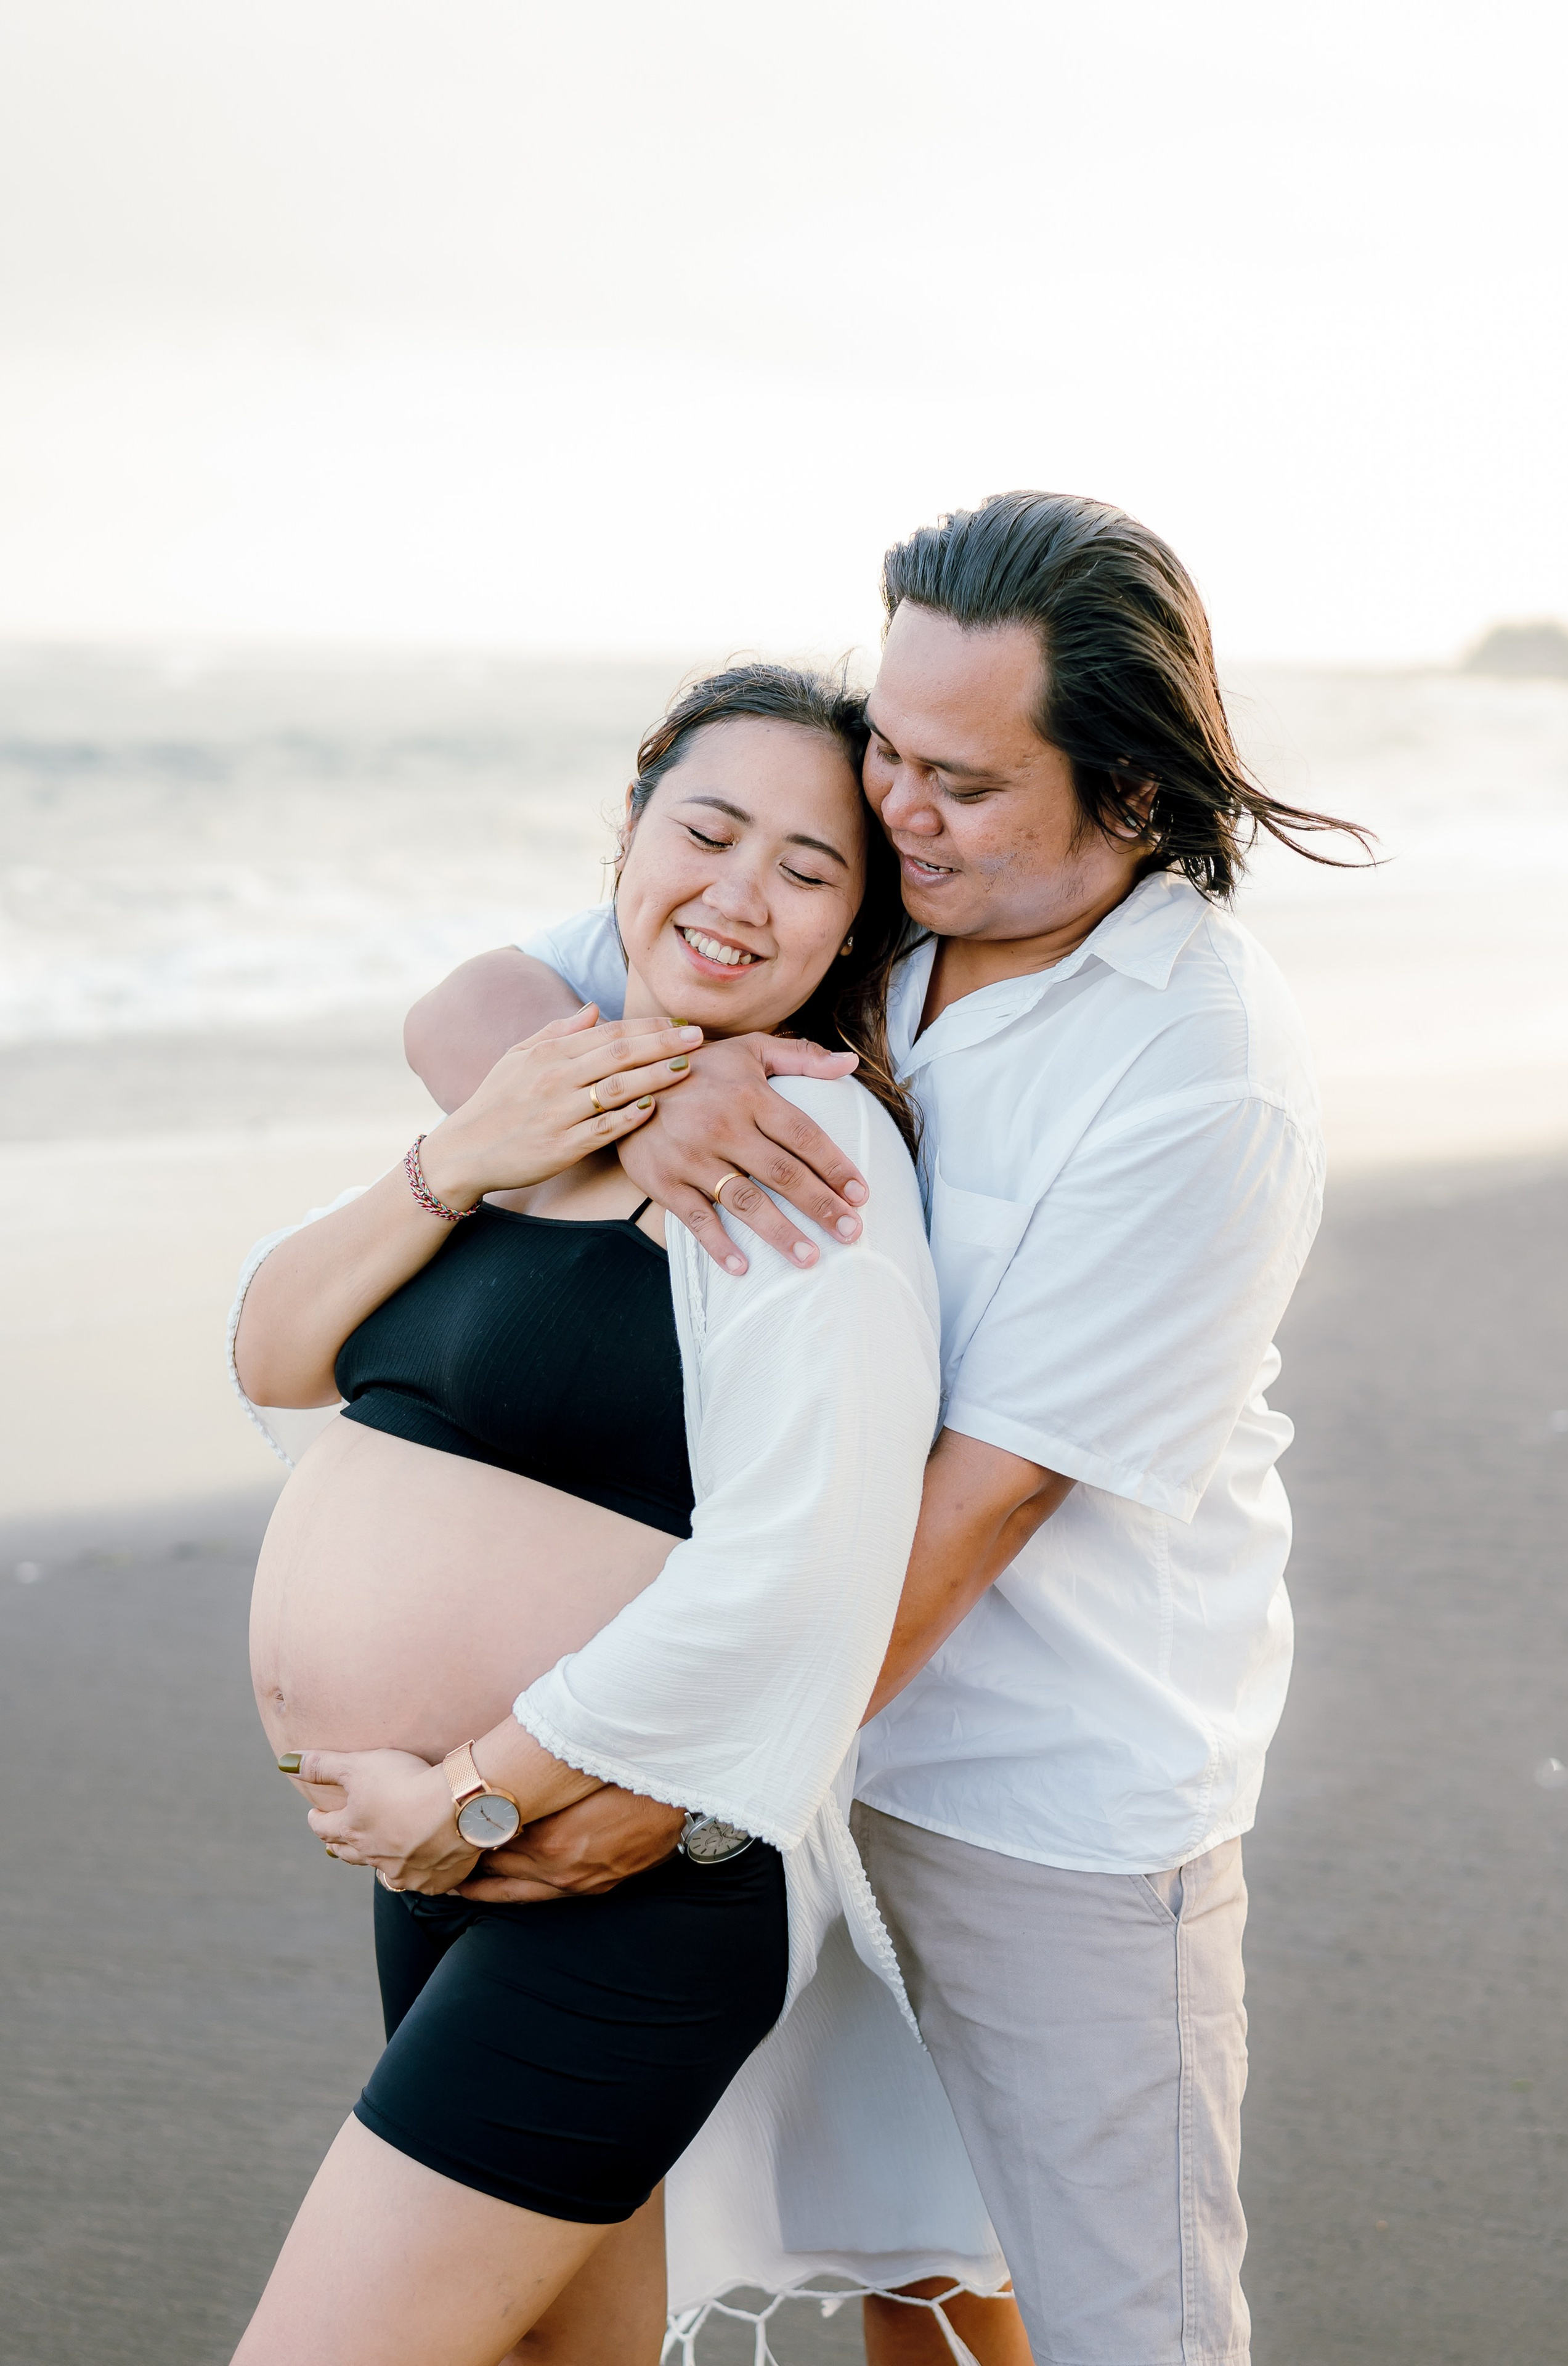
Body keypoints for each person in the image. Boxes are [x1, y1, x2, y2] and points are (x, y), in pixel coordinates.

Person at [407, 492, 1372, 2365]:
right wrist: (639, 1109)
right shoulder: (873, 903)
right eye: (888, 749)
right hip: (796, 1738)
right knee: (908, 2260)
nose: (897, 805)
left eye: (963, 777)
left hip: (1044, 1791)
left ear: (1138, 795)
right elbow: (477, 1003)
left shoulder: (1197, 1075)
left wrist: (649, 1789)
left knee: (1126, 2325)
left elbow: (976, 1508)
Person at [225, 664, 1023, 2366]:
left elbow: (796, 1585)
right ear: (633, 828)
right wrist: (464, 1149)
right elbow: (279, 1351)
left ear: (850, 937)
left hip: (619, 1887)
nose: (740, 892)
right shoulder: (558, 1093)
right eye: (709, 830)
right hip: (444, 1866)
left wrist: (468, 1797)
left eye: (809, 872)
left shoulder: (804, 1154)